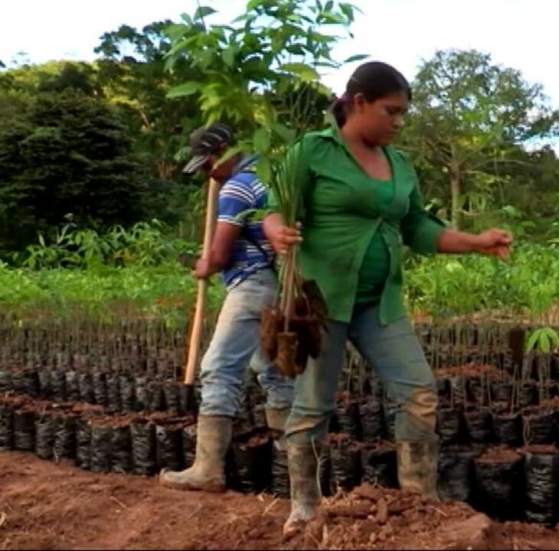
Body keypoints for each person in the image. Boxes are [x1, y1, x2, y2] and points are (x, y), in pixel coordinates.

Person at [262, 61, 513, 535]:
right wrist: (276, 231)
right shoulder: (312, 152)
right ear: (358, 103)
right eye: (391, 111)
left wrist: (477, 242)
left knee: (418, 393)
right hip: (319, 302)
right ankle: (304, 506)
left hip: (380, 302)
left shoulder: (399, 164)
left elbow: (418, 227)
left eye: (403, 114)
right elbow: (274, 209)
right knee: (313, 404)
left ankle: (419, 504)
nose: (399, 122)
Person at [159, 123, 295, 492]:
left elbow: (218, 255)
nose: (207, 173)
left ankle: (208, 470)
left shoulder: (236, 186)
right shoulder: (266, 177)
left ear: (225, 152)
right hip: (271, 285)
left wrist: (205, 265)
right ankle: (291, 457)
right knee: (271, 369)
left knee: (218, 368)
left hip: (249, 287)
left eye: (208, 165)